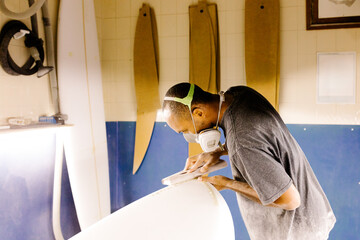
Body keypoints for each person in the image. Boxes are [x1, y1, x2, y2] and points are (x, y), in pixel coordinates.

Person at [162, 82, 336, 240]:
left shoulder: (241, 142)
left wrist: (228, 184)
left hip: (296, 230)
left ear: (198, 112)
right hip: (312, 213)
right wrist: (220, 151)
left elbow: (290, 200)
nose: (189, 136)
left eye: (186, 130)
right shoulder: (240, 95)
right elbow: (260, 140)